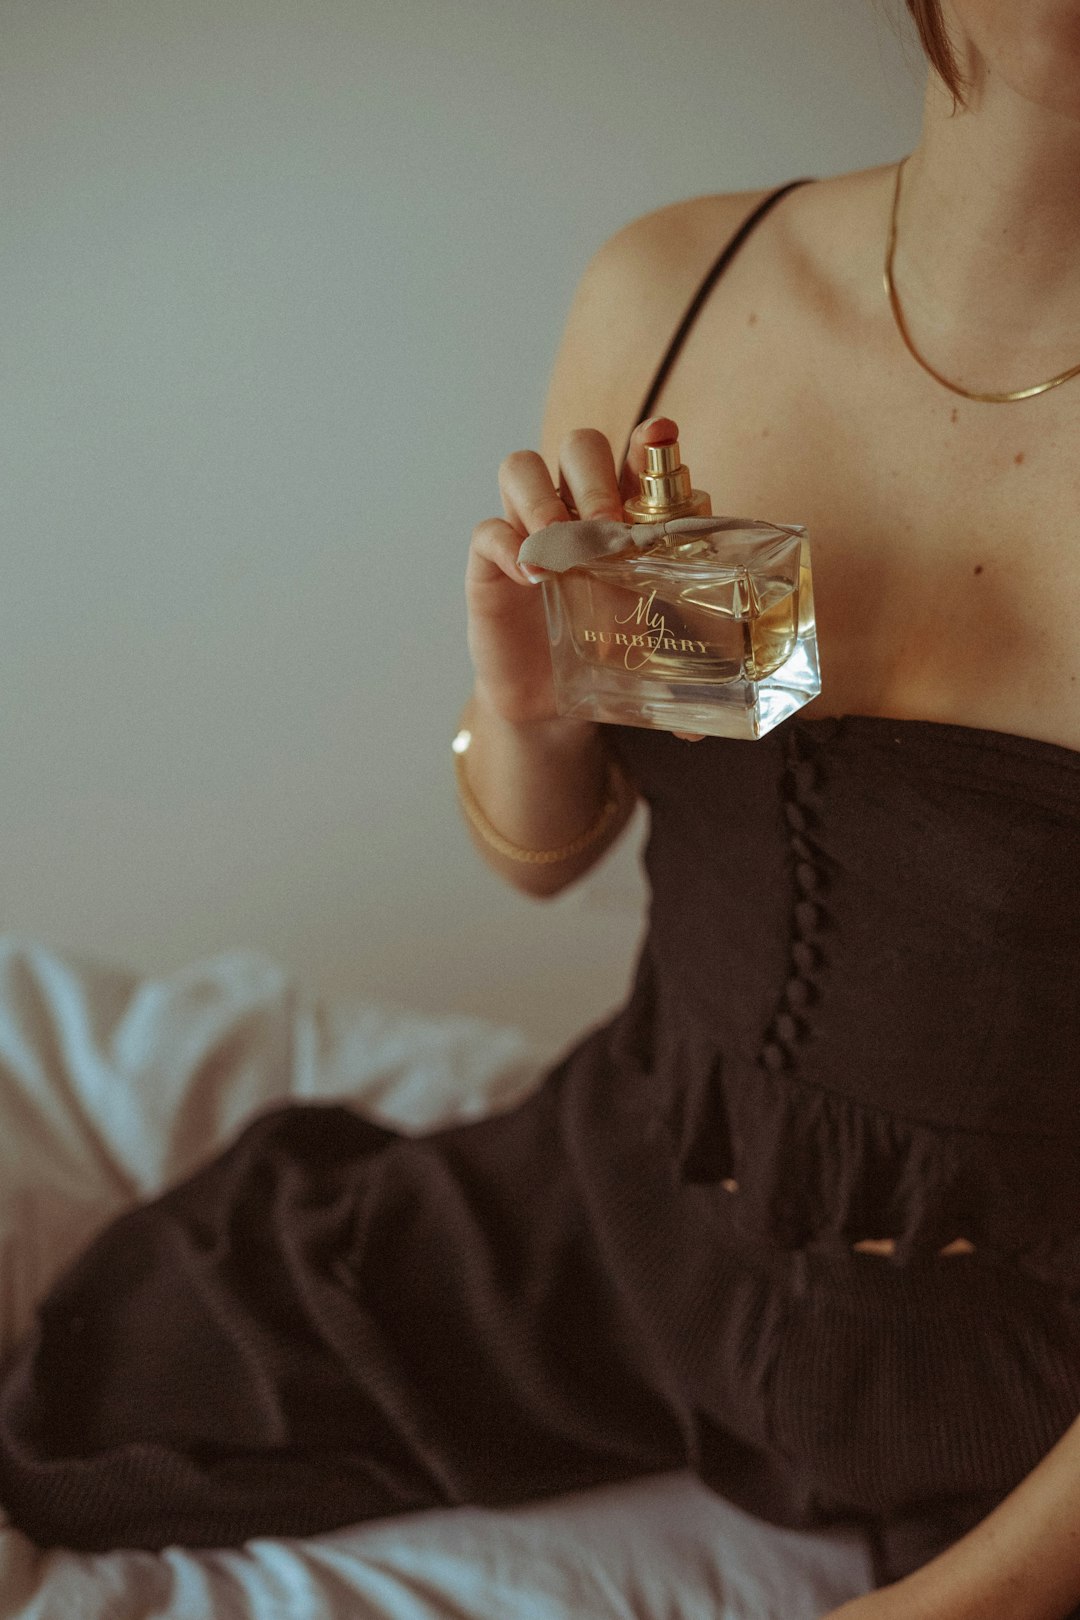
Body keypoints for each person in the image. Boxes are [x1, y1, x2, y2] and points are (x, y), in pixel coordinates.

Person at [1, 3, 1079, 1615]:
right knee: (115, 1385)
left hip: (1032, 1374)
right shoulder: (683, 294)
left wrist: (971, 1599)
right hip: (641, 1202)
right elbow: (545, 853)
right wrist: (524, 713)